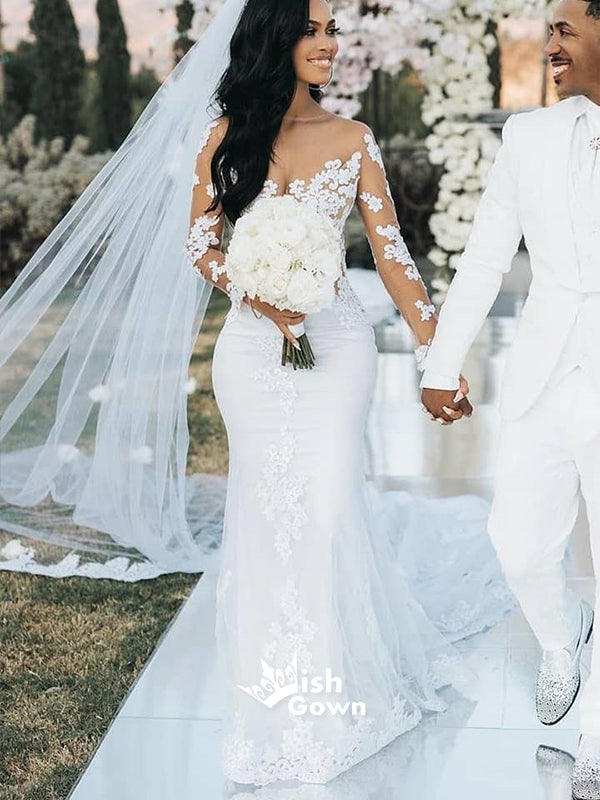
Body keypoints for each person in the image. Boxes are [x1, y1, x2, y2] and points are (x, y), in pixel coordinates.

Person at [185, 0, 513, 786]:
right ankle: (272, 704)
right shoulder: (226, 137)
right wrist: (257, 293)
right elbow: (201, 241)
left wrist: (439, 355)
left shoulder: (354, 139)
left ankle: (337, 699)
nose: (329, 43)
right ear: (276, 37)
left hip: (334, 347)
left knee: (328, 509)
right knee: (266, 518)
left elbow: (392, 254)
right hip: (251, 352)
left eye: (334, 30)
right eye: (314, 29)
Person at [420, 1, 600, 797]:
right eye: (549, 30)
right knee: (517, 542)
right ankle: (562, 637)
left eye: (565, 30)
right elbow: (486, 257)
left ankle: (596, 733)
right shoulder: (527, 137)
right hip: (544, 368)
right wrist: (442, 362)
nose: (549, 44)